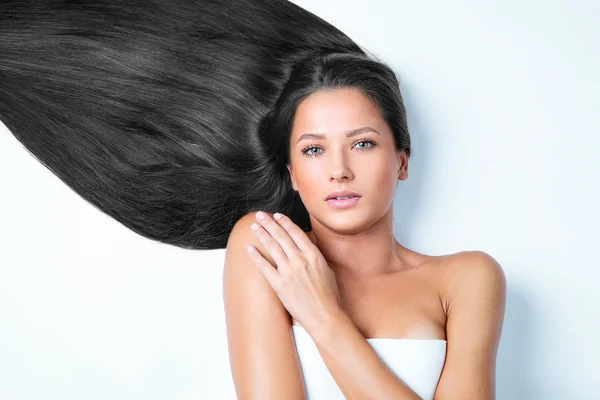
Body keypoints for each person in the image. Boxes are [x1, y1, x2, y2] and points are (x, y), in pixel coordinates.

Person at [0, 1, 506, 398]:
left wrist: (322, 316)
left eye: (363, 143)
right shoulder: (265, 249)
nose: (339, 169)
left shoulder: (467, 278)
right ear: (292, 170)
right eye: (313, 149)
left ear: (402, 160)